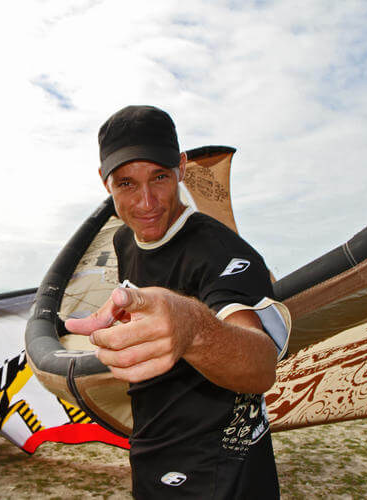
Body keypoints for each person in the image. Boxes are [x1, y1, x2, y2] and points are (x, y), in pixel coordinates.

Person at [65, 105, 290, 498]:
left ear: (182, 168)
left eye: (160, 177)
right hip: (150, 448)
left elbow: (261, 364)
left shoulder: (221, 251)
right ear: (106, 184)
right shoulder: (124, 239)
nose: (146, 202)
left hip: (223, 470)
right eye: (126, 184)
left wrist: (192, 329)